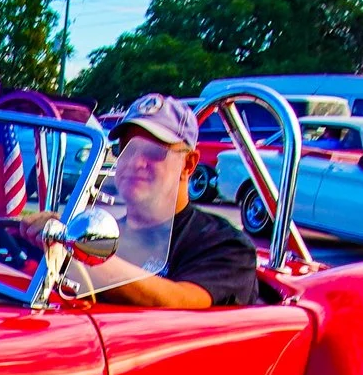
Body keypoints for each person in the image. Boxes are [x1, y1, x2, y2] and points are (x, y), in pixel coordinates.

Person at [86, 94, 258, 308]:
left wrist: (82, 258)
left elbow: (181, 300)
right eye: (126, 150)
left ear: (188, 164)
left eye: (153, 152)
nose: (135, 162)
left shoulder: (224, 245)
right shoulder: (104, 235)